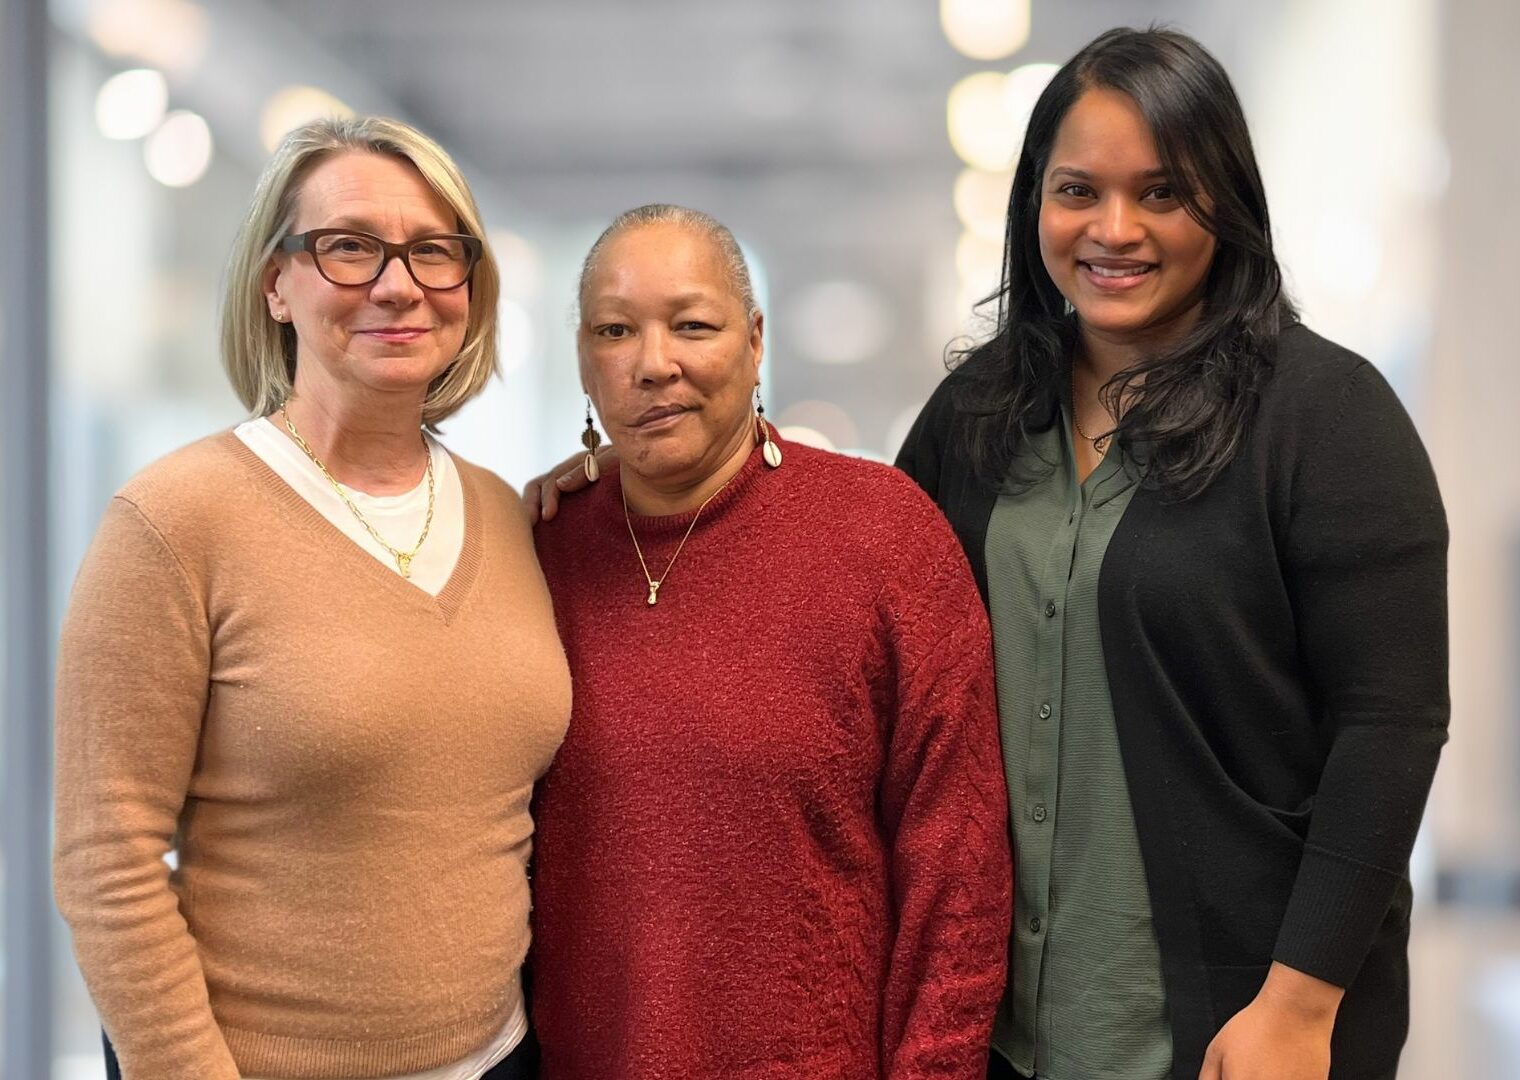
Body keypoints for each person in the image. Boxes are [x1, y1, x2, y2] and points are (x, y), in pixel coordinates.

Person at [895, 28, 1447, 1080]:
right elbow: (852, 574)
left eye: (1160, 193)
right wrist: (633, 486)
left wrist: (1297, 1003)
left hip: (1237, 1025)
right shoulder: (975, 414)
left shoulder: (1323, 415)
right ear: (1032, 207)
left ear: (1223, 203)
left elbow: (1388, 727)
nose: (1113, 230)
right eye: (1076, 191)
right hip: (1004, 1036)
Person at [53, 116, 570, 1080]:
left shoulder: (510, 518)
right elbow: (106, 862)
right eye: (348, 247)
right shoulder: (173, 521)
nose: (398, 283)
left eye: (433, 251)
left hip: (502, 1059)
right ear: (275, 285)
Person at [528, 203, 1012, 1079]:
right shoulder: (534, 553)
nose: (653, 363)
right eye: (614, 329)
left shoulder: (880, 535)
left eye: (692, 325)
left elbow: (959, 866)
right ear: (583, 361)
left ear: (755, 342)